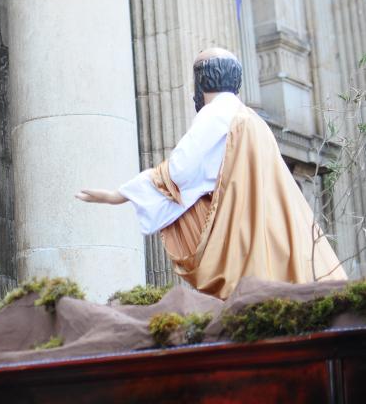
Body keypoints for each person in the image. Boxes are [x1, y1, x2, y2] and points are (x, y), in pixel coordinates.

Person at [76, 48, 346, 298]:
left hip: (244, 235)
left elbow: (179, 173)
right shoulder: (253, 120)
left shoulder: (215, 115)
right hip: (275, 232)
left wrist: (119, 194)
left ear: (201, 81)